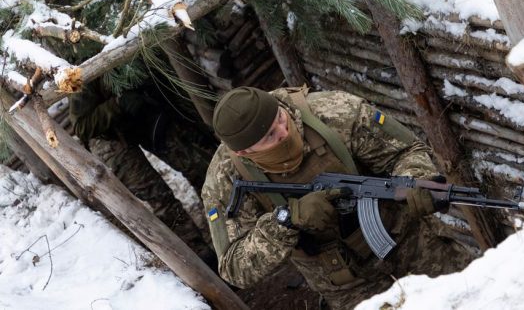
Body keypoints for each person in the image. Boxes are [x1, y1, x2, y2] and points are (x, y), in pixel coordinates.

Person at [202, 86, 474, 309]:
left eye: (281, 119)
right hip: (347, 286)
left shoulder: (333, 112)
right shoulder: (226, 181)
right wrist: (285, 221)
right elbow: (234, 268)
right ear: (244, 152)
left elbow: (405, 150)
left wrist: (415, 180)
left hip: (413, 243)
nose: (284, 132)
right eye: (270, 135)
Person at [69, 77, 218, 267]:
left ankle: (221, 230)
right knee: (159, 196)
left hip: (142, 116)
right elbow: (82, 126)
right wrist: (117, 104)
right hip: (109, 138)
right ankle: (201, 259)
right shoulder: (83, 73)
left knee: (195, 168)